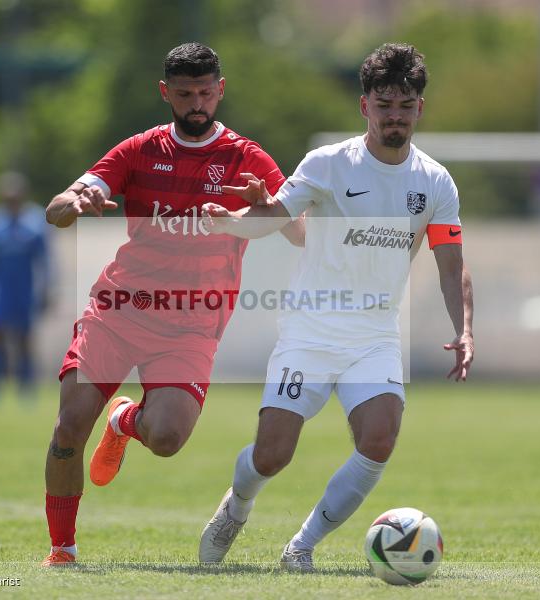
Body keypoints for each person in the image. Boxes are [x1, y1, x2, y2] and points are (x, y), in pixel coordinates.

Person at [198, 43, 474, 572]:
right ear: (364, 105)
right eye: (384, 104)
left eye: (405, 104)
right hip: (310, 330)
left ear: (420, 108)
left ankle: (301, 546)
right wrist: (233, 219)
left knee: (380, 437)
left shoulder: (435, 182)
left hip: (373, 336)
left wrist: (464, 330)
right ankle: (236, 507)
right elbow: (275, 214)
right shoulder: (327, 163)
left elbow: (450, 264)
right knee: (272, 455)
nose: (395, 116)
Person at [40, 42, 304, 566]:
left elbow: (299, 231)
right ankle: (62, 551)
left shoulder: (248, 159)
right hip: (120, 309)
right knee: (70, 424)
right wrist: (76, 201)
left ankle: (125, 423)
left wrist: (264, 205)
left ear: (221, 90)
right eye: (185, 94)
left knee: (165, 438)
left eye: (206, 93)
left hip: (191, 324)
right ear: (166, 93)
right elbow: (55, 210)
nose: (197, 104)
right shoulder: (138, 150)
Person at [0, 171, 50, 405]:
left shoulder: (35, 222)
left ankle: (26, 390)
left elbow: (45, 261)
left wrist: (46, 289)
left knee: (24, 341)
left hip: (24, 291)